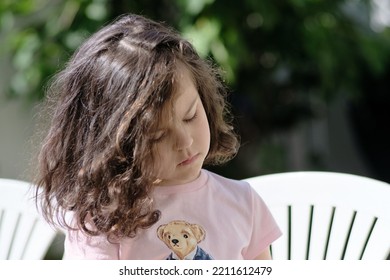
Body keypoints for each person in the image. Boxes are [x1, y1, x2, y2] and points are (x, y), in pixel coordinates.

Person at [35, 13, 281, 260]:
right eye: (158, 136)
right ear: (113, 146)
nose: (185, 142)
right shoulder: (102, 222)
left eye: (190, 116)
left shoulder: (244, 204)